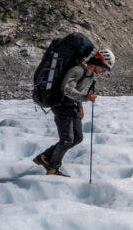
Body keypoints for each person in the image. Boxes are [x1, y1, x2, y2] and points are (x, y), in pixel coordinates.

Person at [33, 48, 115, 177]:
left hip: (72, 106)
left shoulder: (90, 75)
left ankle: (45, 157)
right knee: (67, 139)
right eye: (104, 68)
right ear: (98, 62)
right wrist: (85, 98)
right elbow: (66, 89)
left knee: (78, 138)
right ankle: (52, 168)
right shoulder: (78, 70)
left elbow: (78, 90)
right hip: (61, 106)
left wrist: (80, 107)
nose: (104, 71)